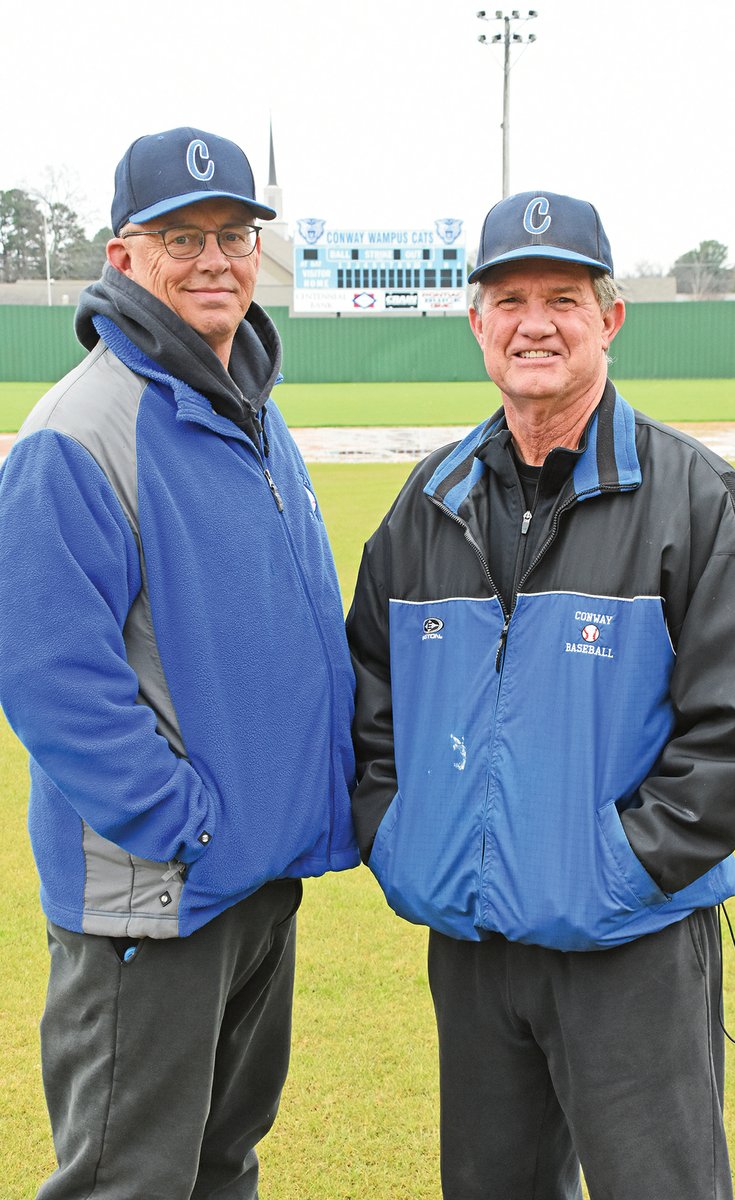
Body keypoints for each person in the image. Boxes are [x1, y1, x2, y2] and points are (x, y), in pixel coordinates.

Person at [346, 189, 735, 1199]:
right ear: (476, 324)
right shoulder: (425, 504)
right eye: (508, 299)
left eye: (562, 296)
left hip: (625, 941)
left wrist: (621, 865)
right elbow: (366, 696)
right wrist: (400, 835)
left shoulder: (692, 496)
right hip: (473, 947)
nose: (534, 323)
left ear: (609, 319)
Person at [0, 127, 359, 1199]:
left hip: (251, 883)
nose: (214, 258)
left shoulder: (251, 409)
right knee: (130, 1180)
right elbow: (51, 675)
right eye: (180, 236)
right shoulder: (78, 433)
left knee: (218, 1165)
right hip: (155, 894)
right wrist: (186, 823)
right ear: (123, 256)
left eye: (234, 233)